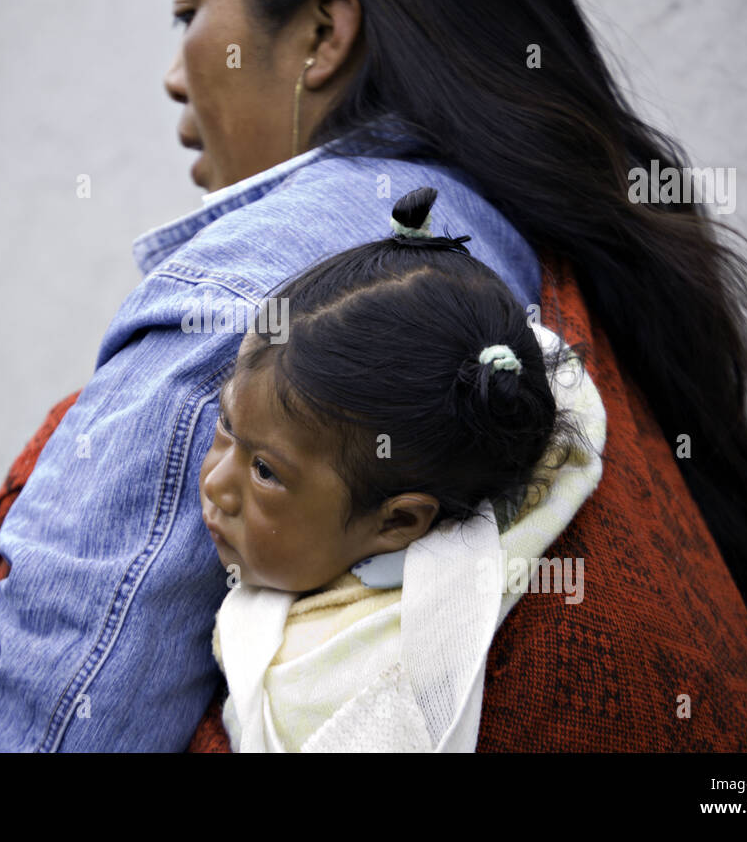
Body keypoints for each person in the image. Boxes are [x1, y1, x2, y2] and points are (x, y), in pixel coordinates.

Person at [0, 0, 747, 752]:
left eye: (188, 7)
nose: (175, 73)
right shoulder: (520, 231)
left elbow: (39, 729)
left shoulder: (267, 297)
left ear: (321, 33)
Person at [203, 186, 608, 751]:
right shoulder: (495, 373)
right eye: (225, 423)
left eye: (266, 471)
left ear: (398, 524)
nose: (214, 485)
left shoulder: (338, 696)